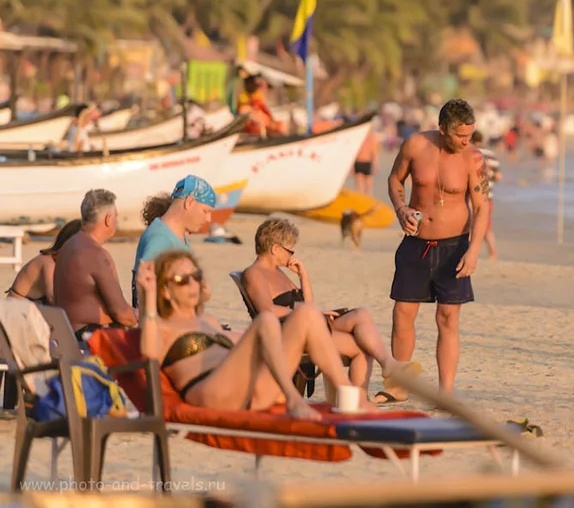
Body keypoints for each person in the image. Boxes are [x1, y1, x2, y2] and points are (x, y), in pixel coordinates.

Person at [137, 250, 380, 421]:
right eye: (181, 280)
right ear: (166, 291)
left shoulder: (207, 321)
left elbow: (243, 346)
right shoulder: (161, 326)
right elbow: (148, 352)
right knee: (265, 319)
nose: (191, 285)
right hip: (212, 394)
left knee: (306, 314)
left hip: (249, 391)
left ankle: (348, 393)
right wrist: (147, 297)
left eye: (196, 277)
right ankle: (293, 398)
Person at [241, 218, 417, 405]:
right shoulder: (255, 273)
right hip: (291, 333)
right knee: (361, 346)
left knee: (361, 315)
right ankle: (360, 397)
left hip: (306, 325)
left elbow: (308, 303)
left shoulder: (278, 272)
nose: (291, 255)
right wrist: (310, 315)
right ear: (275, 248)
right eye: (290, 250)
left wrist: (303, 276)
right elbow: (266, 311)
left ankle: (377, 375)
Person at [386, 99, 488, 392]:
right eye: (460, 135)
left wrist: (473, 251)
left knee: (447, 318)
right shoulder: (415, 145)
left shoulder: (473, 158)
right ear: (442, 128)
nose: (465, 141)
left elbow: (482, 208)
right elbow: (395, 178)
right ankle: (397, 387)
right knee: (403, 313)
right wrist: (401, 208)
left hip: (454, 247)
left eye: (469, 134)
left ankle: (446, 393)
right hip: (416, 244)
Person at [53, 189, 137, 337]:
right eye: (116, 218)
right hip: (89, 337)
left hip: (68, 334)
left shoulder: (67, 247)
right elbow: (123, 315)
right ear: (108, 219)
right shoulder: (95, 254)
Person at [130, 175, 215, 308]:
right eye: (206, 211)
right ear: (190, 202)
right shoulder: (160, 239)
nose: (208, 218)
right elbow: (143, 287)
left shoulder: (175, 236)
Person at [6, 220, 81, 306]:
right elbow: (53, 298)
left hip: (28, 313)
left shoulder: (62, 263)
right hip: (15, 313)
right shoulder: (47, 262)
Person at [471, 130, 501, 260]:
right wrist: (489, 176)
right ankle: (492, 253)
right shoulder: (492, 155)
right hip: (487, 194)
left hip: (471, 195)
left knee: (468, 225)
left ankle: (470, 251)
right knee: (486, 226)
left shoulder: (470, 154)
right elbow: (498, 176)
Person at [353, 123, 380, 194]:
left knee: (364, 185)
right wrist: (375, 165)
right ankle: (365, 200)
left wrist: (375, 165)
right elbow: (374, 153)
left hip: (361, 162)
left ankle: (364, 200)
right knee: (365, 186)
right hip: (363, 162)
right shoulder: (371, 138)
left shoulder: (361, 138)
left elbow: (374, 153)